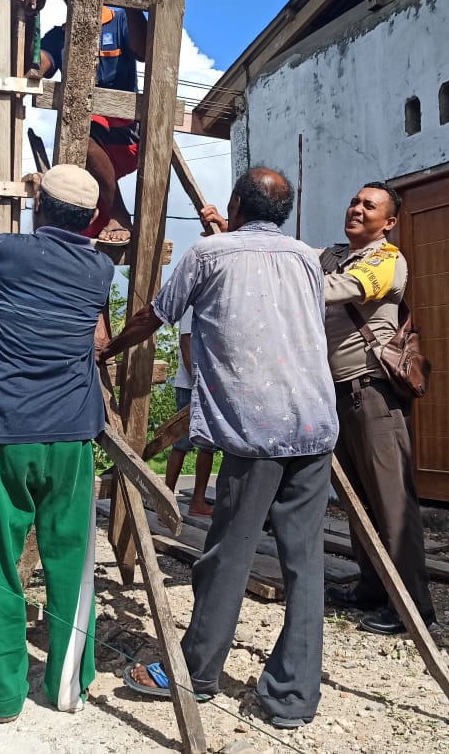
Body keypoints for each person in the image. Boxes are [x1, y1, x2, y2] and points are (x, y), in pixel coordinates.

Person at [99, 167, 338, 729]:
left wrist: (105, 353)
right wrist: (225, 233)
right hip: (314, 426)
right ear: (282, 212)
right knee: (304, 561)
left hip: (256, 429)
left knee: (227, 552)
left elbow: (154, 315)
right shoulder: (307, 257)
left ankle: (195, 674)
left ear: (234, 203)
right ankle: (293, 698)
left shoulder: (208, 257)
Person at [0, 164, 113, 722]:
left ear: (38, 206)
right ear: (91, 218)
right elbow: (93, 333)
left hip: (8, 432)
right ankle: (68, 687)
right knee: (72, 562)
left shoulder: (12, 253)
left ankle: (2, 697)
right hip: (72, 435)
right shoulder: (101, 268)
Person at [318, 183, 438, 635]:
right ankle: (373, 587)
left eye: (369, 206)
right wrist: (233, 233)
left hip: (373, 394)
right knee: (360, 501)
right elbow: (281, 260)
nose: (357, 208)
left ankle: (414, 610)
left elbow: (340, 290)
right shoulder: (330, 254)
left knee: (391, 503)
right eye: (354, 201)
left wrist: (290, 277)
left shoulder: (387, 260)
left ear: (388, 222)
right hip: (338, 394)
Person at [38, 0, 147, 245]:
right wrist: (28, 16)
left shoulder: (120, 19)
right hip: (89, 141)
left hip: (126, 134)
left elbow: (144, 50)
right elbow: (34, 66)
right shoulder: (59, 35)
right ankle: (105, 218)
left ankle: (119, 213)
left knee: (79, 129)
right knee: (77, 134)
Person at [163, 307, 215, 518]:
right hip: (191, 384)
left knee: (208, 445)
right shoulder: (192, 307)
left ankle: (198, 500)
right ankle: (166, 501)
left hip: (206, 383)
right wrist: (197, 380)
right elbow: (186, 343)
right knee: (181, 443)